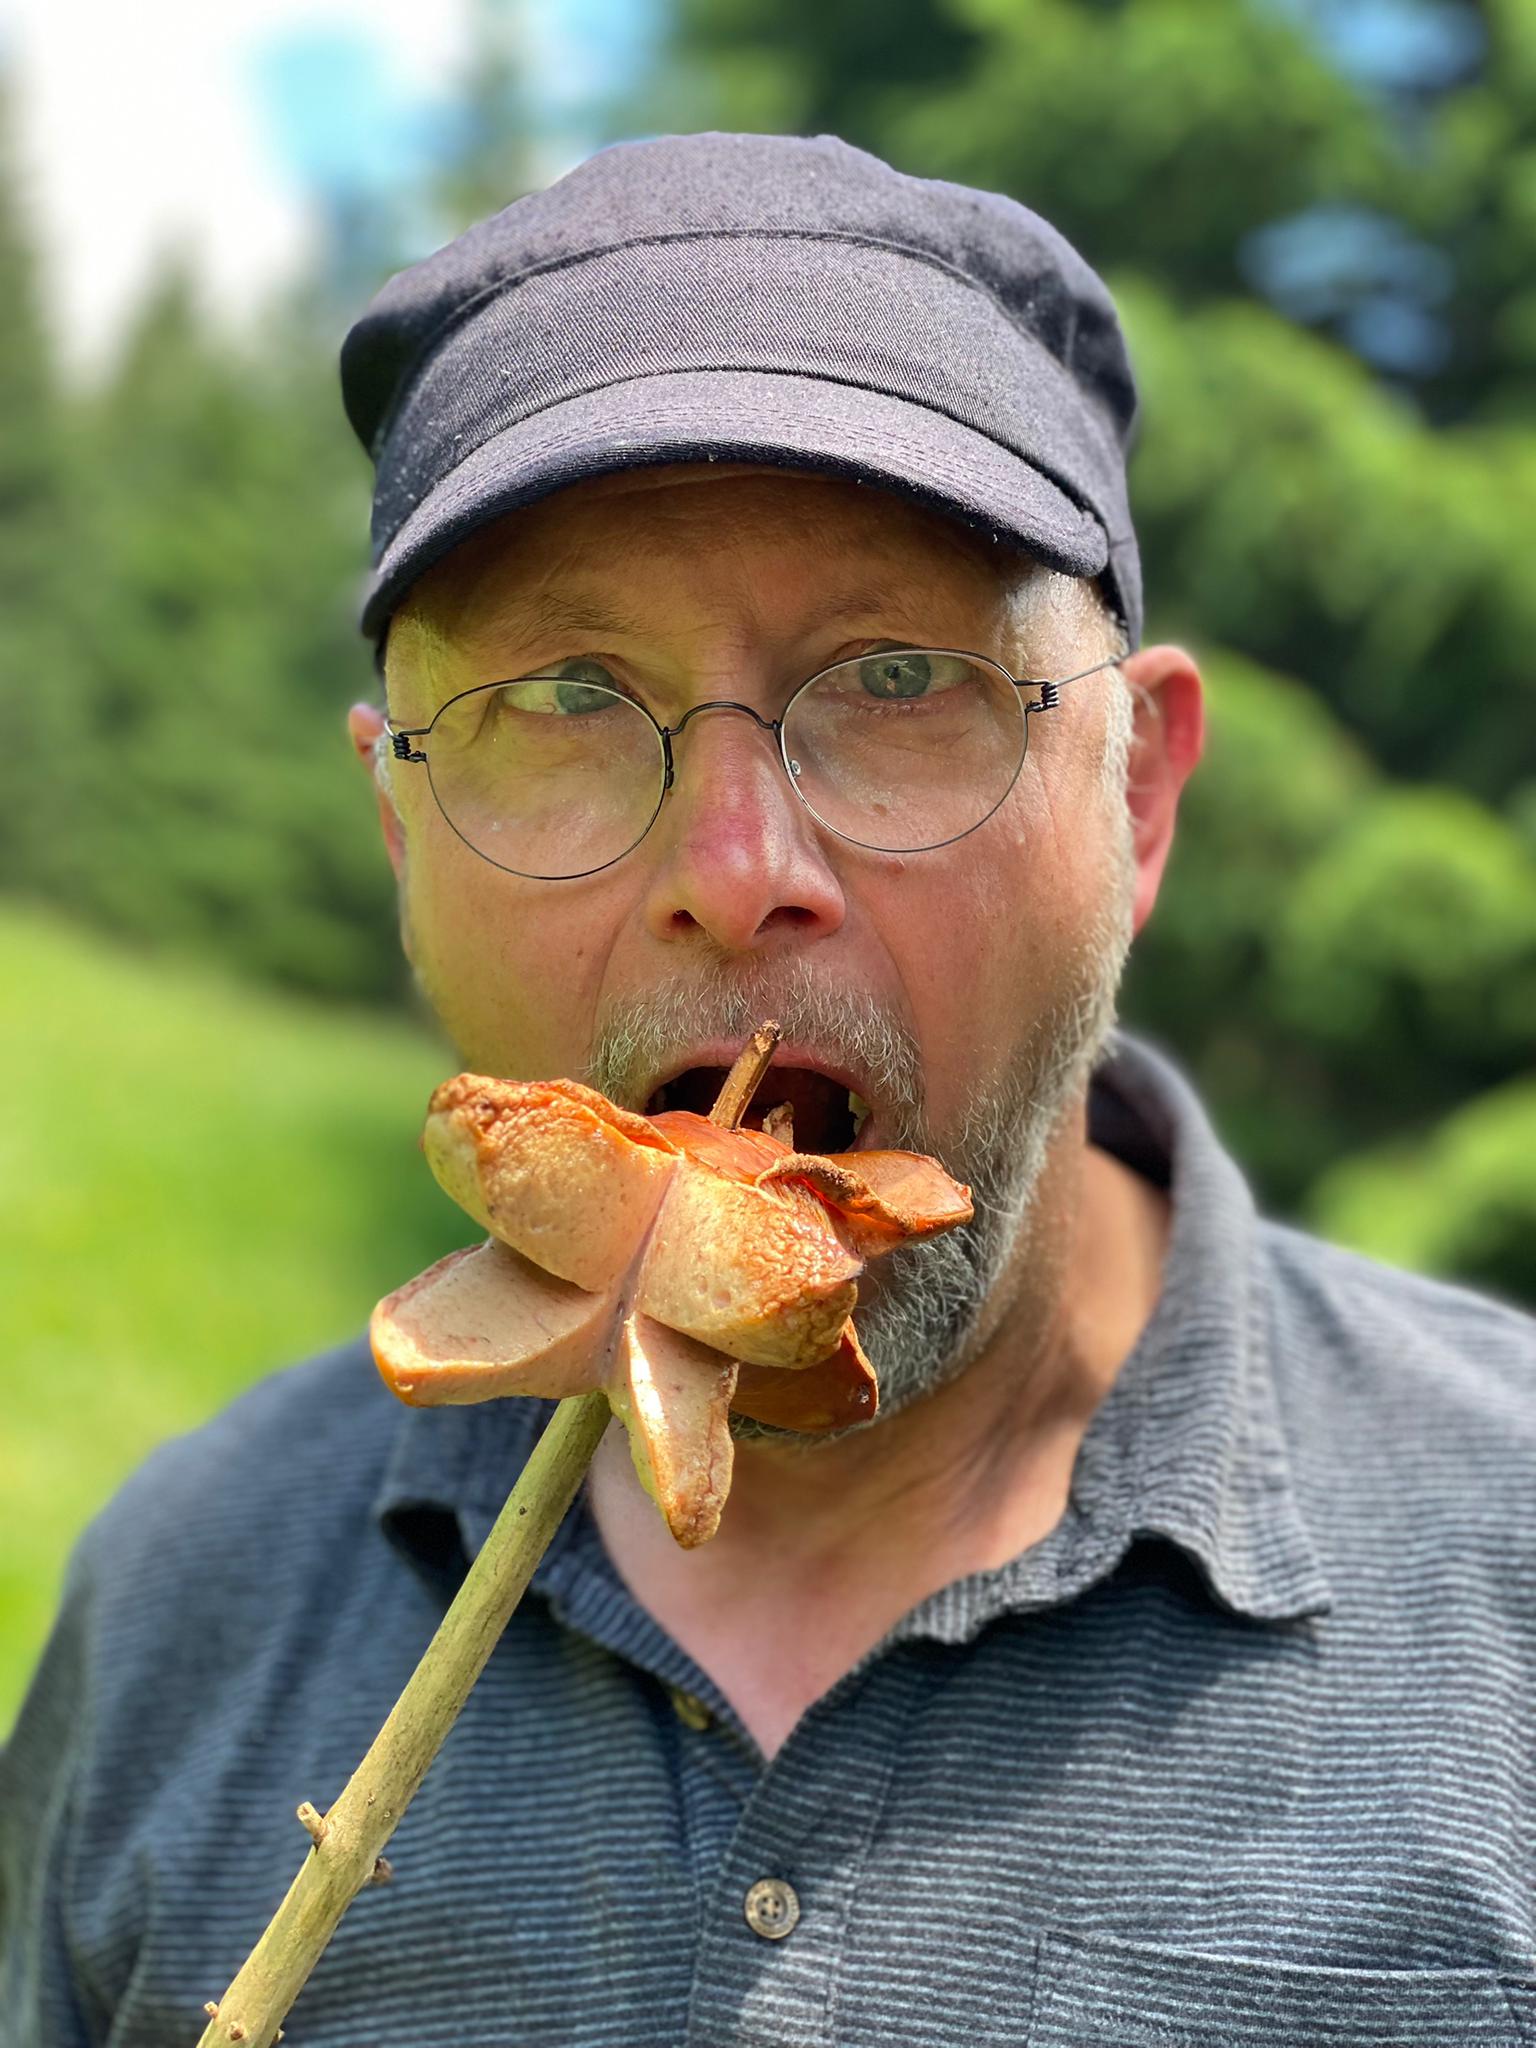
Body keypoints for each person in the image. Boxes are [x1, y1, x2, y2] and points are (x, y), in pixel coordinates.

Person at [3, 130, 1533, 2047]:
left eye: (896, 677)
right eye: (564, 700)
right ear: (400, 837)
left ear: (1136, 796)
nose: (735, 870)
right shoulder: (179, 1607)